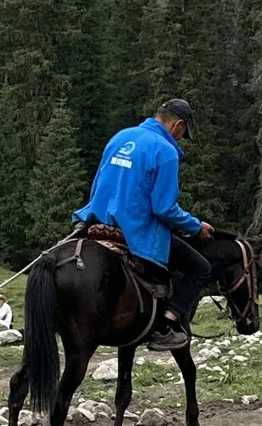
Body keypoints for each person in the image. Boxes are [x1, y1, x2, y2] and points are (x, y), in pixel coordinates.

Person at [73, 98, 214, 351]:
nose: (181, 139)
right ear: (178, 125)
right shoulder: (166, 151)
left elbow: (98, 185)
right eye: (183, 134)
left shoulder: (121, 137)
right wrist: (195, 227)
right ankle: (166, 325)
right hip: (135, 232)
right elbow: (164, 208)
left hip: (96, 221)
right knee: (200, 268)